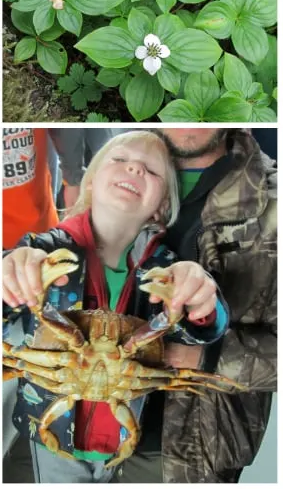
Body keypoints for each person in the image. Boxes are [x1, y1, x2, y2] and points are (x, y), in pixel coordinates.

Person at [3, 130, 230, 483]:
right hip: (47, 440)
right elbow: (3, 322)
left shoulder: (168, 269)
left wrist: (202, 300)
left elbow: (199, 333)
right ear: (90, 181)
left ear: (162, 206)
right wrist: (9, 277)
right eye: (120, 159)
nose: (134, 169)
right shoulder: (42, 250)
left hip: (128, 445)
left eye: (151, 171)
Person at [109, 128, 277, 484]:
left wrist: (202, 357)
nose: (187, 127)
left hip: (189, 456)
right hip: (83, 437)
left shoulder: (273, 206)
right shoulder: (116, 175)